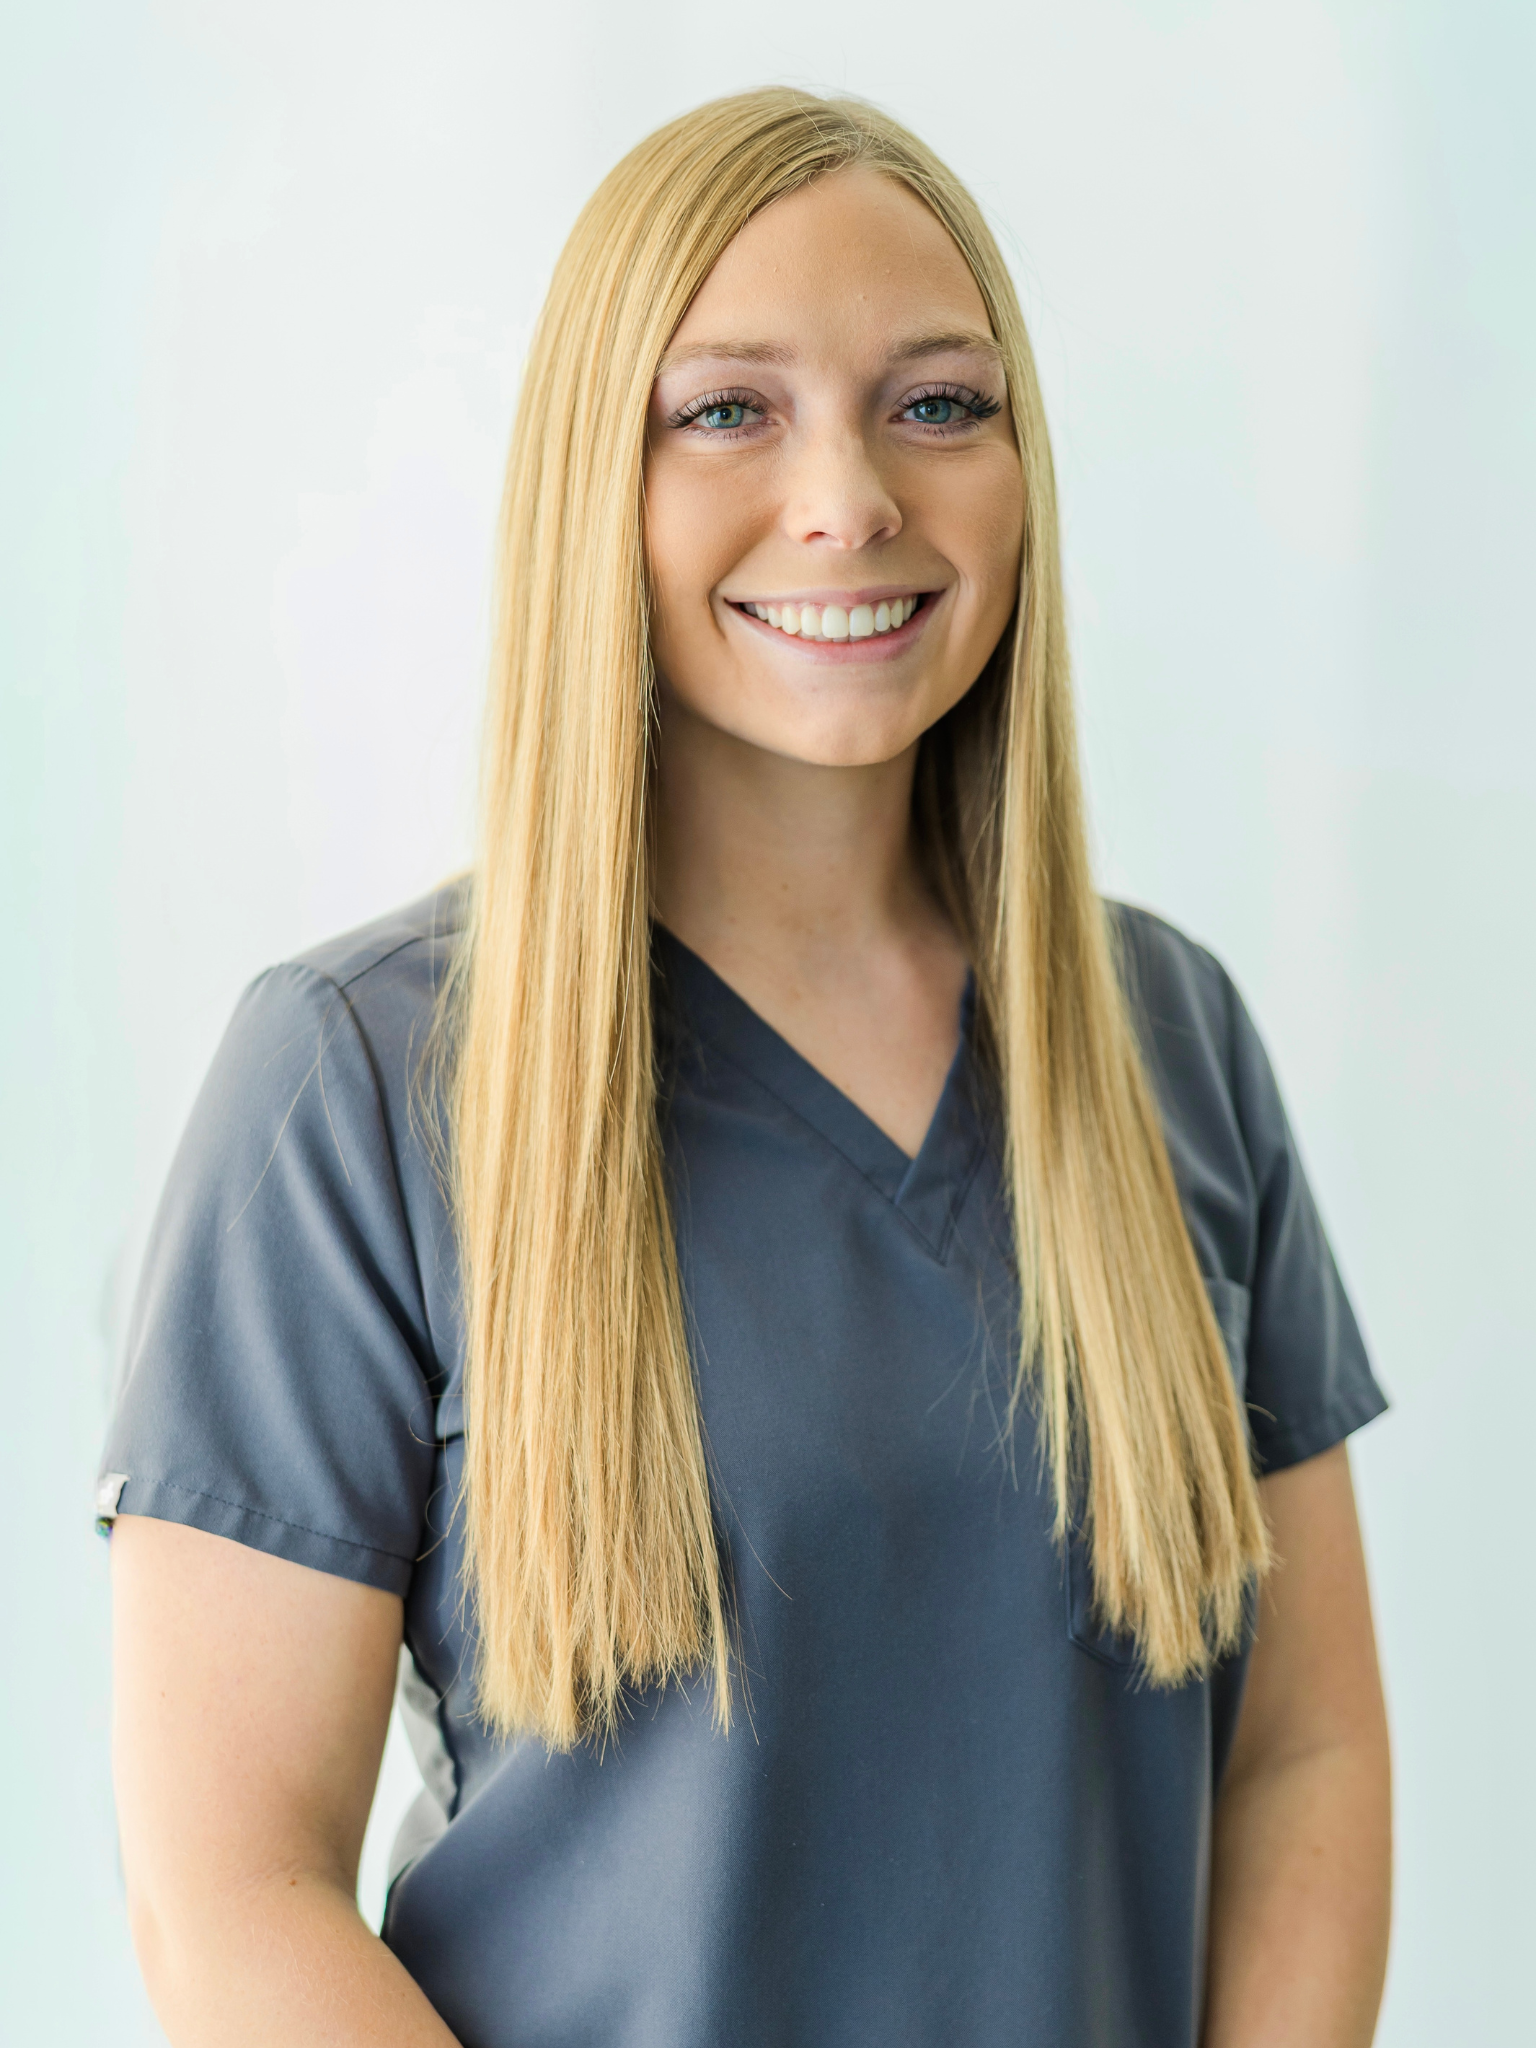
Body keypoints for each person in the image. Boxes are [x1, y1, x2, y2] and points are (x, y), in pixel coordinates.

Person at [101, 88, 1391, 2048]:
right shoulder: (352, 1086)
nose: (852, 497)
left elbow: (1300, 1755)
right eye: (727, 409)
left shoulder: (1173, 1046)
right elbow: (231, 1895)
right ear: (590, 485)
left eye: (939, 404)